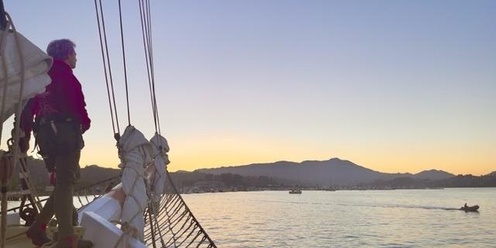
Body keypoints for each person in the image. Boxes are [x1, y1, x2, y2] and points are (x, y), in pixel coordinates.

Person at [19, 39, 92, 248]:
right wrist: (85, 124)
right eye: (74, 54)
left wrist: (25, 132)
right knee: (66, 183)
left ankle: (38, 227)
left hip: (45, 139)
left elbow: (29, 107)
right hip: (66, 136)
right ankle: (66, 239)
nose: (76, 58)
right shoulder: (67, 76)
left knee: (62, 184)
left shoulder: (41, 77)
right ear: (67, 55)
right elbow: (79, 106)